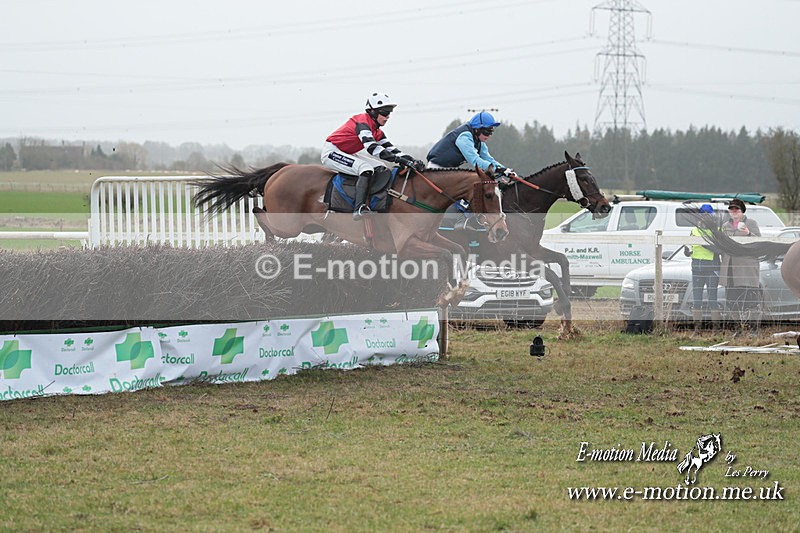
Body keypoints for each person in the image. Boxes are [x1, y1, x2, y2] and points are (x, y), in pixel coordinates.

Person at [321, 92, 425, 220]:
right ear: (372, 112)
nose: (387, 117)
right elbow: (372, 148)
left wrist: (412, 160)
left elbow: (392, 150)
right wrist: (399, 160)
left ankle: (372, 201)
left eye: (389, 113)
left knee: (381, 167)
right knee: (365, 168)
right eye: (385, 113)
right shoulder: (362, 123)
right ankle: (359, 208)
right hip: (331, 152)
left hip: (347, 153)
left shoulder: (377, 131)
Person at [426, 111, 517, 181]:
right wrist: (497, 169)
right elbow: (475, 161)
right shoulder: (464, 137)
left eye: (491, 132)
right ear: (477, 129)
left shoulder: (479, 142)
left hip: (450, 171)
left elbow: (489, 159)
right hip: (436, 170)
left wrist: (506, 170)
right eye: (487, 131)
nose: (489, 135)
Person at [719, 198, 762, 336]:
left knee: (751, 301)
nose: (734, 212)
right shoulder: (725, 226)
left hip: (746, 269)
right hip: (730, 269)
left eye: (736, 209)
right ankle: (738, 329)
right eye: (731, 209)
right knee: (732, 302)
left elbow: (759, 243)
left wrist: (749, 233)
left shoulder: (751, 223)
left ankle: (753, 330)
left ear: (742, 211)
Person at [685, 204, 721, 331]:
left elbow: (719, 250)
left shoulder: (717, 231)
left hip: (712, 270)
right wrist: (687, 250)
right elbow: (687, 250)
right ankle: (697, 329)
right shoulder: (694, 231)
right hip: (696, 269)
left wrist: (704, 243)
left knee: (712, 300)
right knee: (697, 301)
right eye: (702, 214)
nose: (704, 217)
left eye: (707, 214)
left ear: (712, 216)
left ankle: (716, 329)